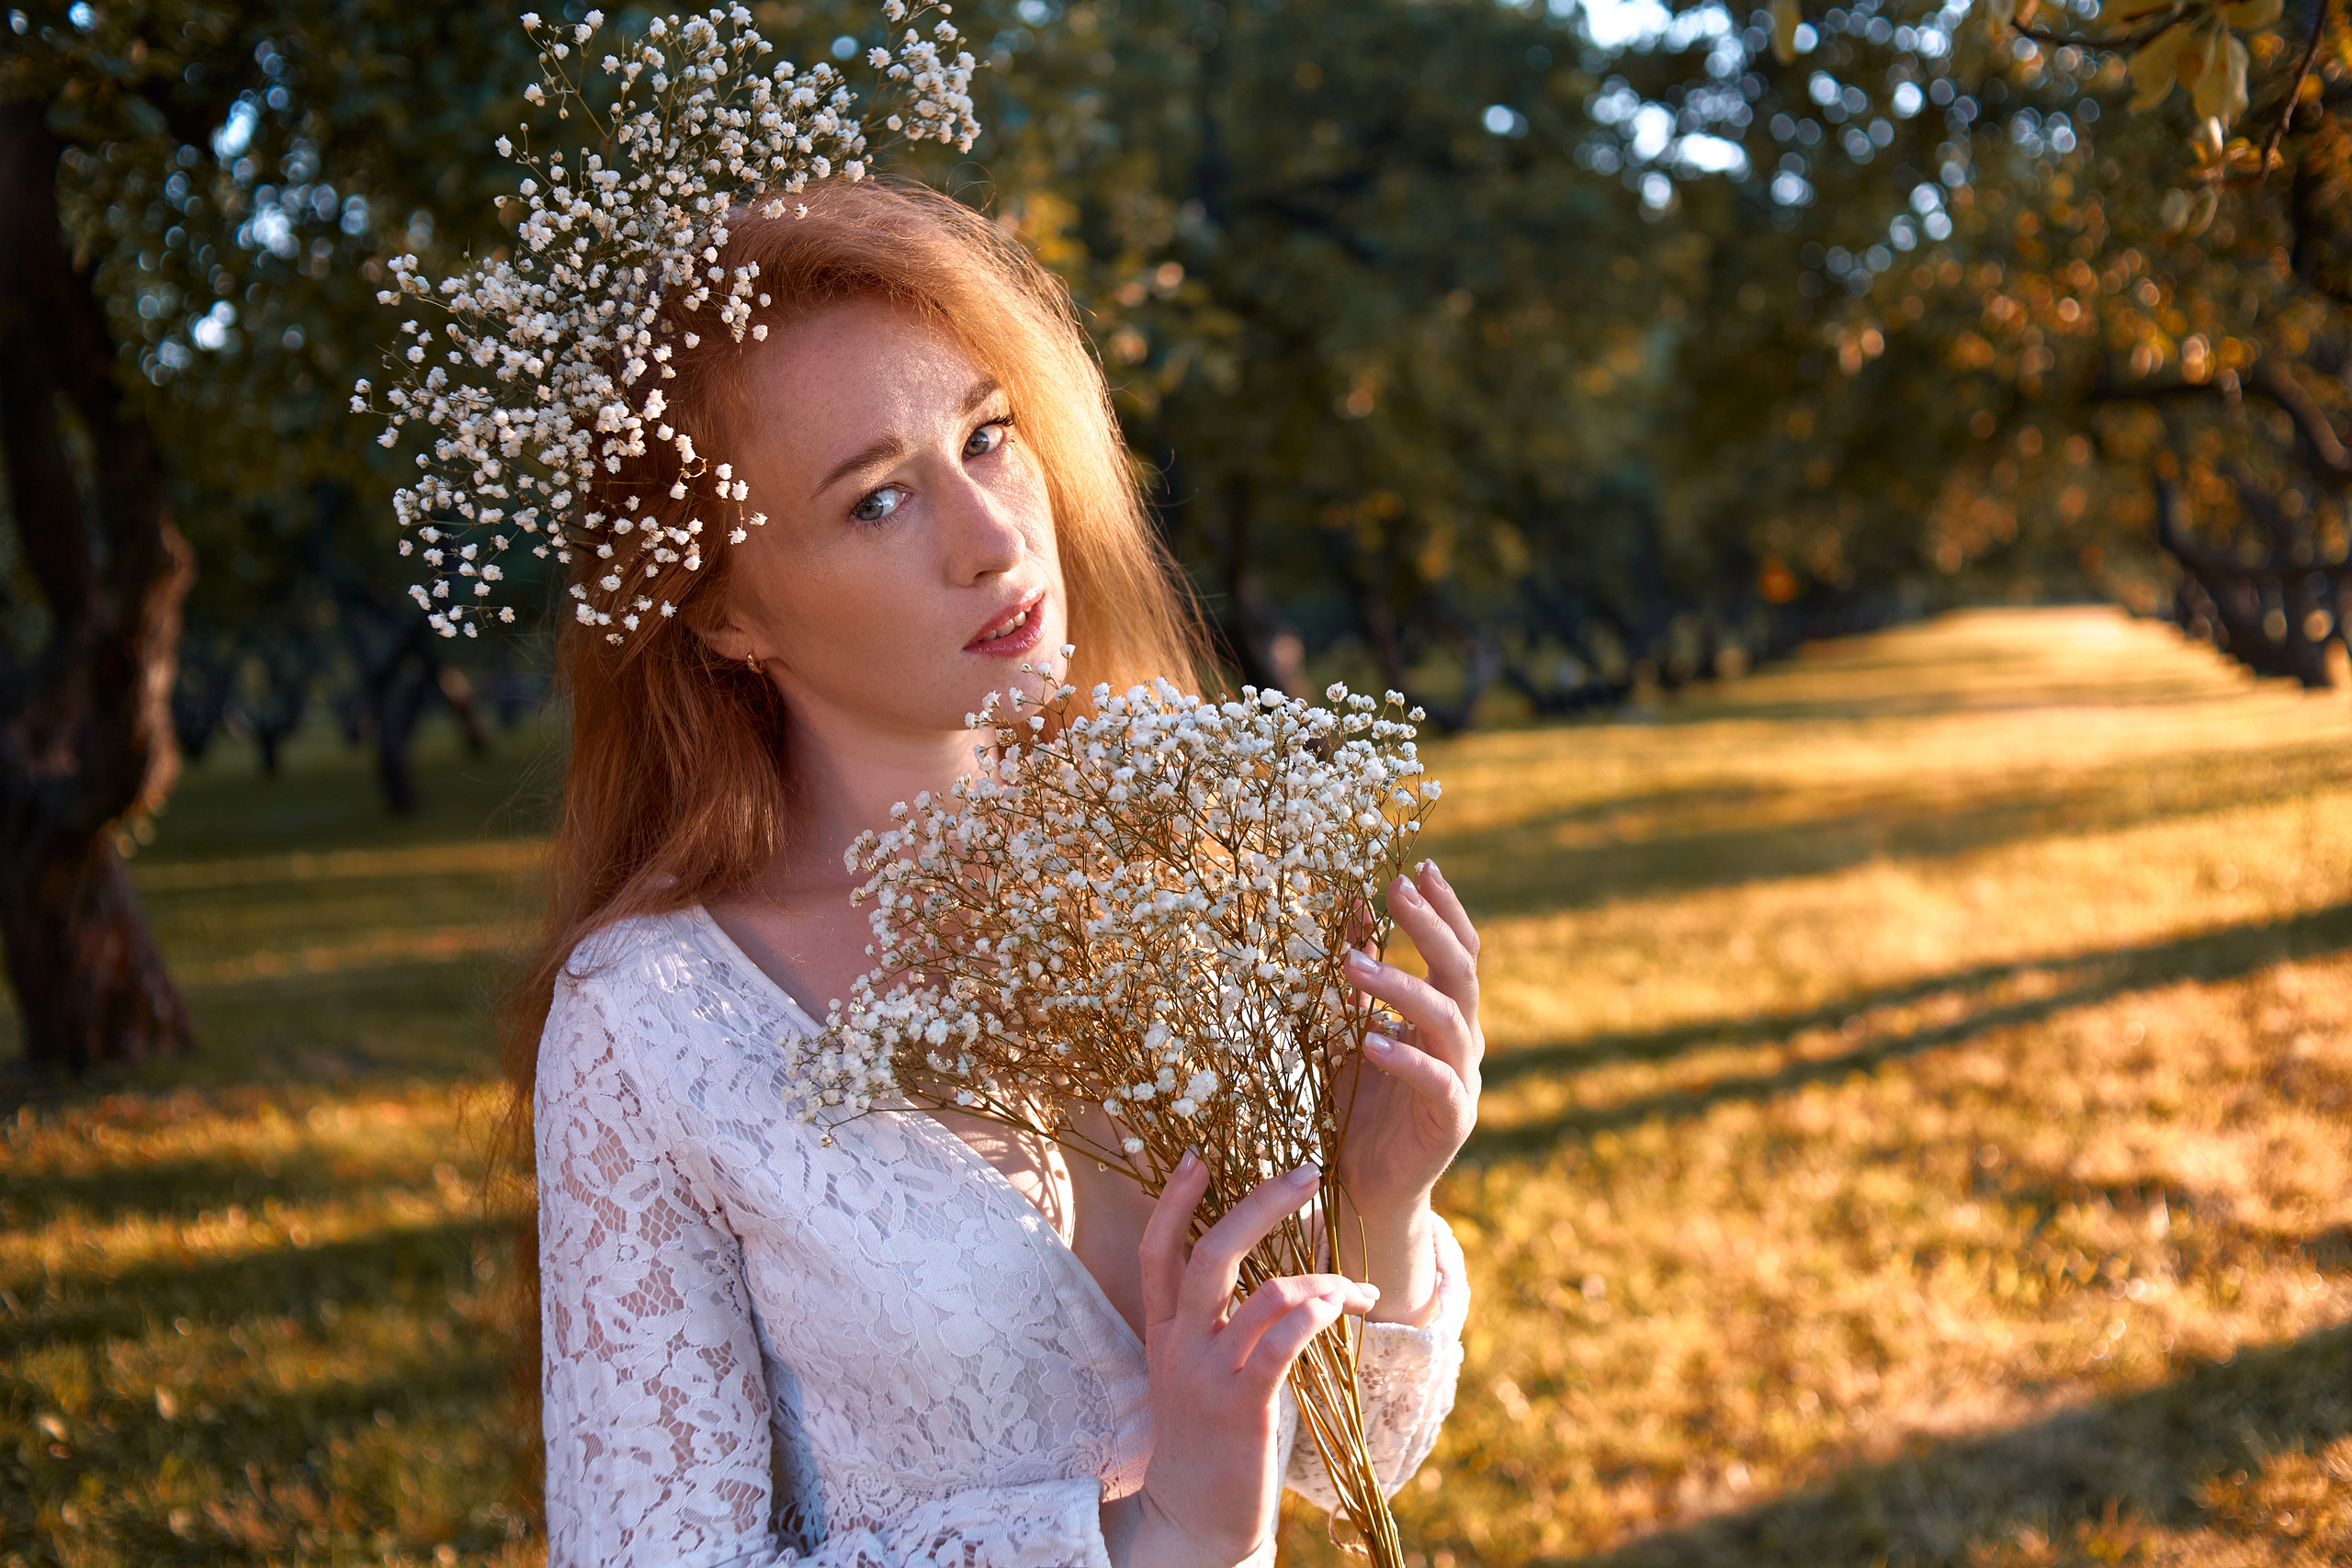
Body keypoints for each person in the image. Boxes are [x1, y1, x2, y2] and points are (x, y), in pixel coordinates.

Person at [505, 178, 1485, 1568]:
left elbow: (1348, 1460)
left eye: (987, 436)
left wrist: (1384, 1203)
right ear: (724, 613)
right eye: (878, 501)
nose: (994, 538)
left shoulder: (1179, 863)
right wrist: (1150, 1536)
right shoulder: (653, 1022)